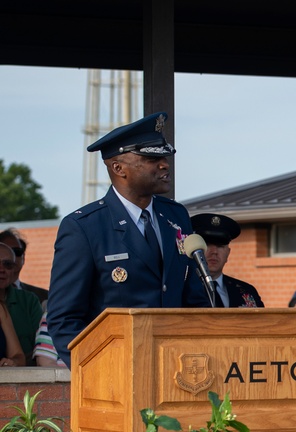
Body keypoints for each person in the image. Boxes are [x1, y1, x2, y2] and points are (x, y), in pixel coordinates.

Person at [47, 112, 210, 365]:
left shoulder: (175, 215)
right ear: (118, 168)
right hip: (118, 371)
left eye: (164, 157)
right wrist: (98, 370)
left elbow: (195, 301)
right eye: (151, 158)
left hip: (178, 367)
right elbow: (64, 319)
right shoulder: (84, 227)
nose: (164, 164)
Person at [190, 213, 264, 308]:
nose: (214, 252)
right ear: (195, 250)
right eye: (207, 244)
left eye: (220, 246)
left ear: (228, 253)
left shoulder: (247, 291)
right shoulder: (182, 289)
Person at [0, 242, 42, 362]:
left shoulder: (28, 301)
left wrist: (10, 364)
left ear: (14, 269)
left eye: (7, 264)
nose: (1, 269)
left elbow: (19, 357)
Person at [0, 228, 49, 307]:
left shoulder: (45, 297)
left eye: (17, 251)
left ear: (24, 257)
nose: (12, 256)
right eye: (6, 251)